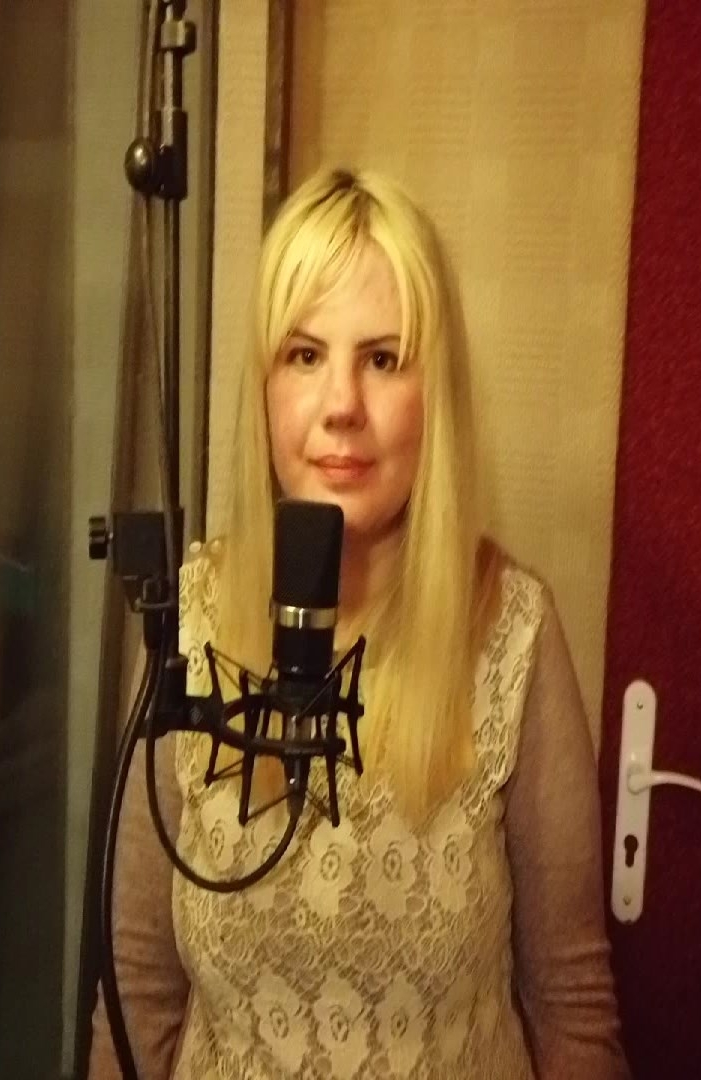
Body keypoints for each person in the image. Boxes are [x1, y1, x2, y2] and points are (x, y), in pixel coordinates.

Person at [91, 167, 629, 1079]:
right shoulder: (188, 620)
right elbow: (134, 989)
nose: (342, 404)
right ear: (266, 386)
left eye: (382, 359)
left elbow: (572, 1005)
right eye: (305, 356)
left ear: (434, 391)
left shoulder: (514, 635)